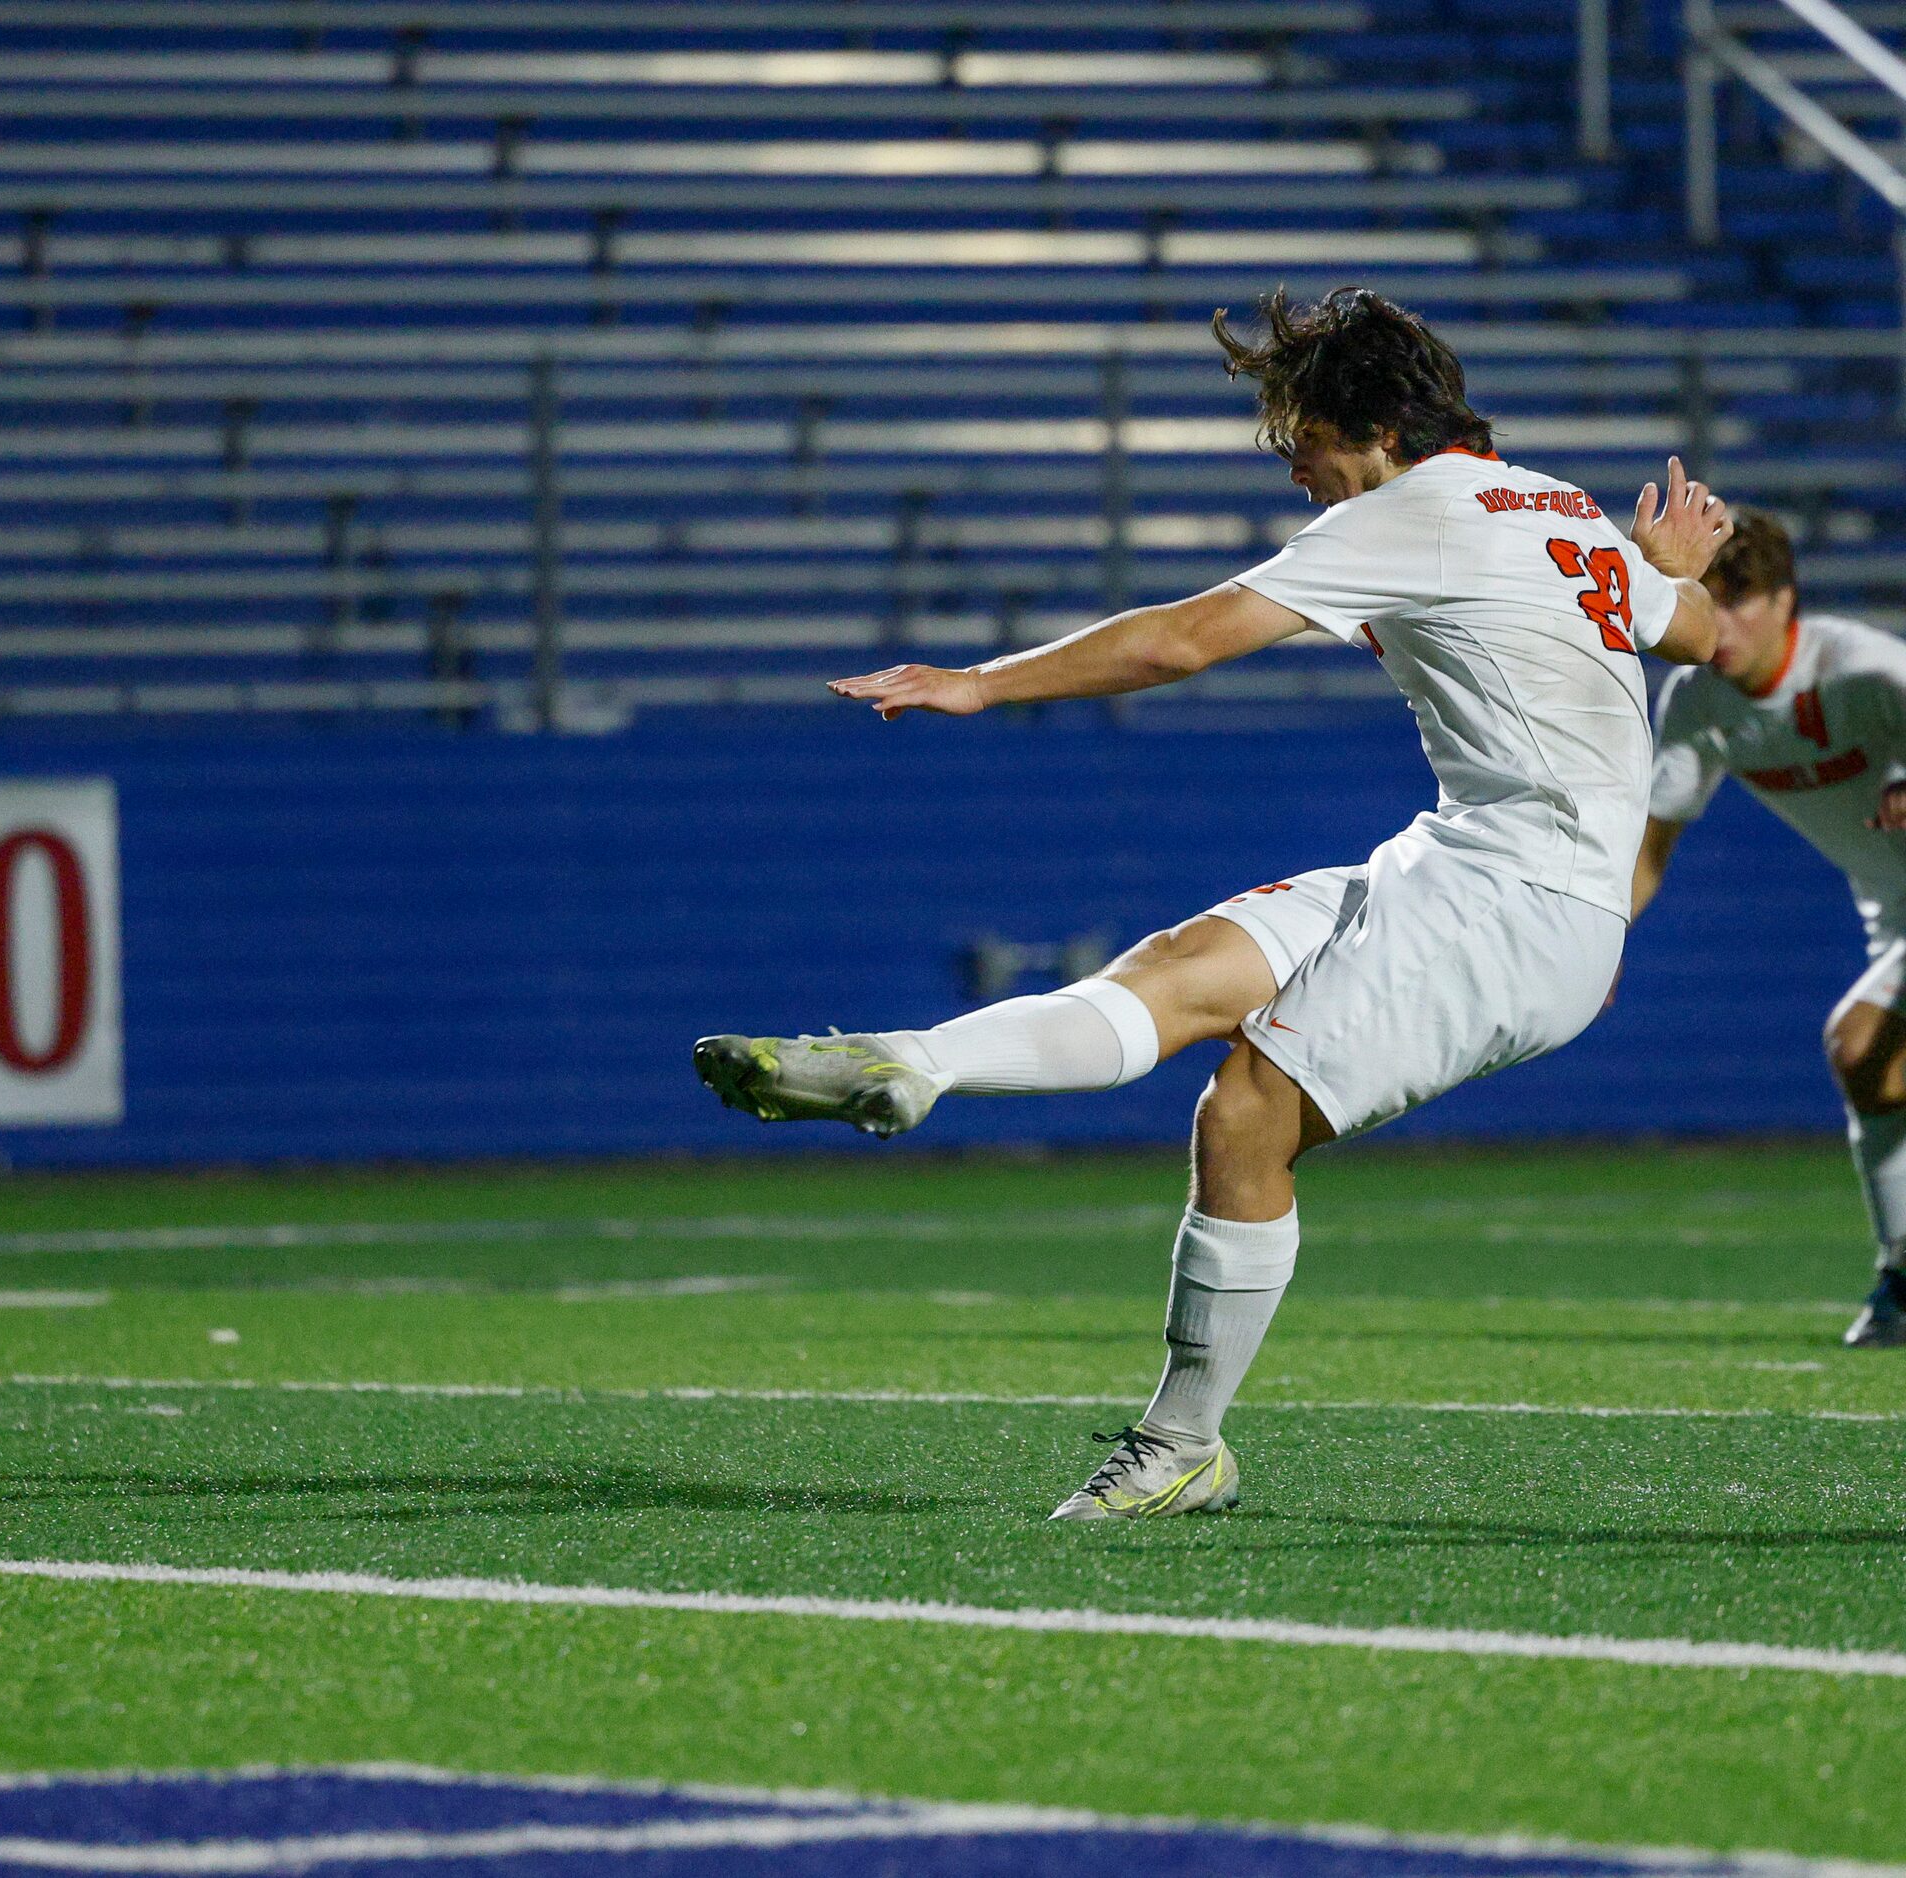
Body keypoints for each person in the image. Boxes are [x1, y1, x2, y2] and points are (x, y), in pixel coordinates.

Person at [693, 285, 1732, 1520]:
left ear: (1374, 430)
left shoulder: (1415, 512)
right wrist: (1653, 569)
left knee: (1244, 1116)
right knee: (1180, 970)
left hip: (1517, 907)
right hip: (1460, 866)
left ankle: (1182, 1444)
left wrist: (978, 682)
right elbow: (1704, 631)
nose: (1295, 473)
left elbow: (1179, 642)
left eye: (1302, 443)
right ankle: (906, 1065)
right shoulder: (1553, 503)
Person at [1633, 509, 1906, 1347]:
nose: (1716, 622)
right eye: (1701, 599)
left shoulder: (1864, 668)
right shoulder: (1697, 698)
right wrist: (1594, 942)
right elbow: (1649, 849)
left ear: (1785, 601)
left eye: (1737, 600)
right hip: (1894, 918)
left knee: (1860, 1047)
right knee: (1870, 1066)